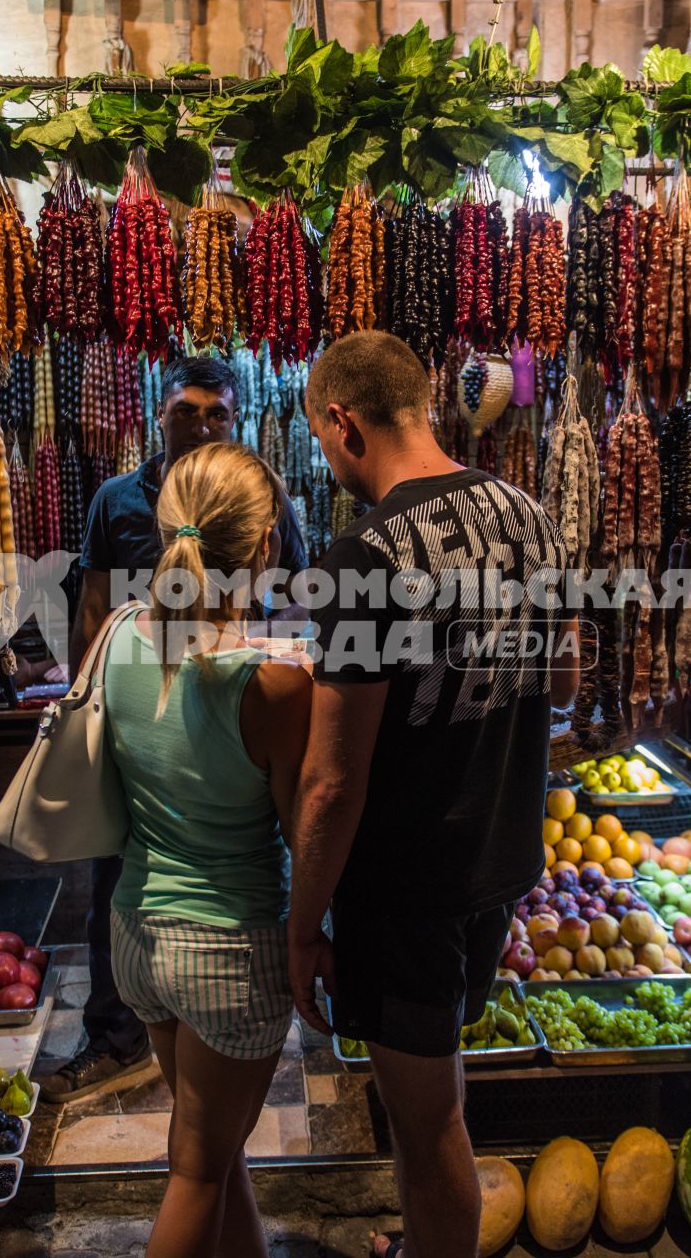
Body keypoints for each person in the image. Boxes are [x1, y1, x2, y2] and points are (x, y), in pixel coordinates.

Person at [289, 331, 578, 1258]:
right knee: (435, 1096)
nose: (326, 458)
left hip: (404, 887)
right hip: (494, 861)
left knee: (428, 1123)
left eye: (321, 439)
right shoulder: (527, 514)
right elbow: (566, 679)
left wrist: (303, 928)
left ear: (343, 422)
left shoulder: (361, 561)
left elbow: (334, 783)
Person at [47, 357, 310, 1104]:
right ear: (156, 413)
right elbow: (94, 611)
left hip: (225, 723)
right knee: (116, 878)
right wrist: (88, 712)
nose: (199, 425)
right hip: (151, 730)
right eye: (185, 411)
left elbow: (292, 601)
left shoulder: (258, 502)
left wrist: (265, 666)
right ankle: (111, 1036)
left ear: (237, 418)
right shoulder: (116, 502)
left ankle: (151, 1025)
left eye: (216, 413)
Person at [102, 442, 311, 1258]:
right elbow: (303, 829)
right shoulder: (273, 685)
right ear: (265, 546)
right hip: (228, 948)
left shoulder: (118, 639)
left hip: (138, 938)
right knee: (197, 1169)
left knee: (213, 1157)